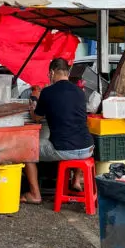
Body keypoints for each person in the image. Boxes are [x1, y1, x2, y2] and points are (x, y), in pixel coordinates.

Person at [22, 57, 94, 204]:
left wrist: (33, 106)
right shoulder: (80, 92)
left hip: (65, 150)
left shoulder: (48, 92)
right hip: (88, 148)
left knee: (26, 151)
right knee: (76, 138)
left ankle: (35, 194)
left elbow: (36, 118)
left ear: (52, 72)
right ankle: (75, 181)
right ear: (67, 73)